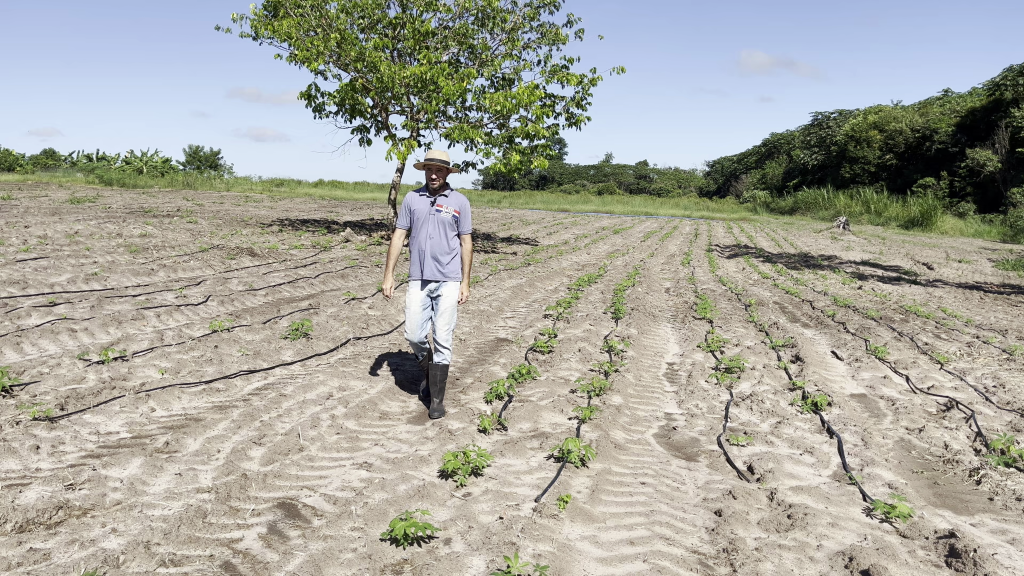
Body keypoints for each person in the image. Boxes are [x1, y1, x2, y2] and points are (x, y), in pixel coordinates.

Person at [382, 150, 473, 419]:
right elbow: (399, 236)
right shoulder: (412, 199)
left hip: (449, 280)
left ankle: (436, 399)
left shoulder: (460, 201)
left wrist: (465, 282)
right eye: (429, 170)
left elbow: (466, 243)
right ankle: (430, 373)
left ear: (447, 173)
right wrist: (388, 275)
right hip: (418, 278)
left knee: (443, 338)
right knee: (413, 335)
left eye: (439, 170)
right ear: (424, 171)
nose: (433, 175)